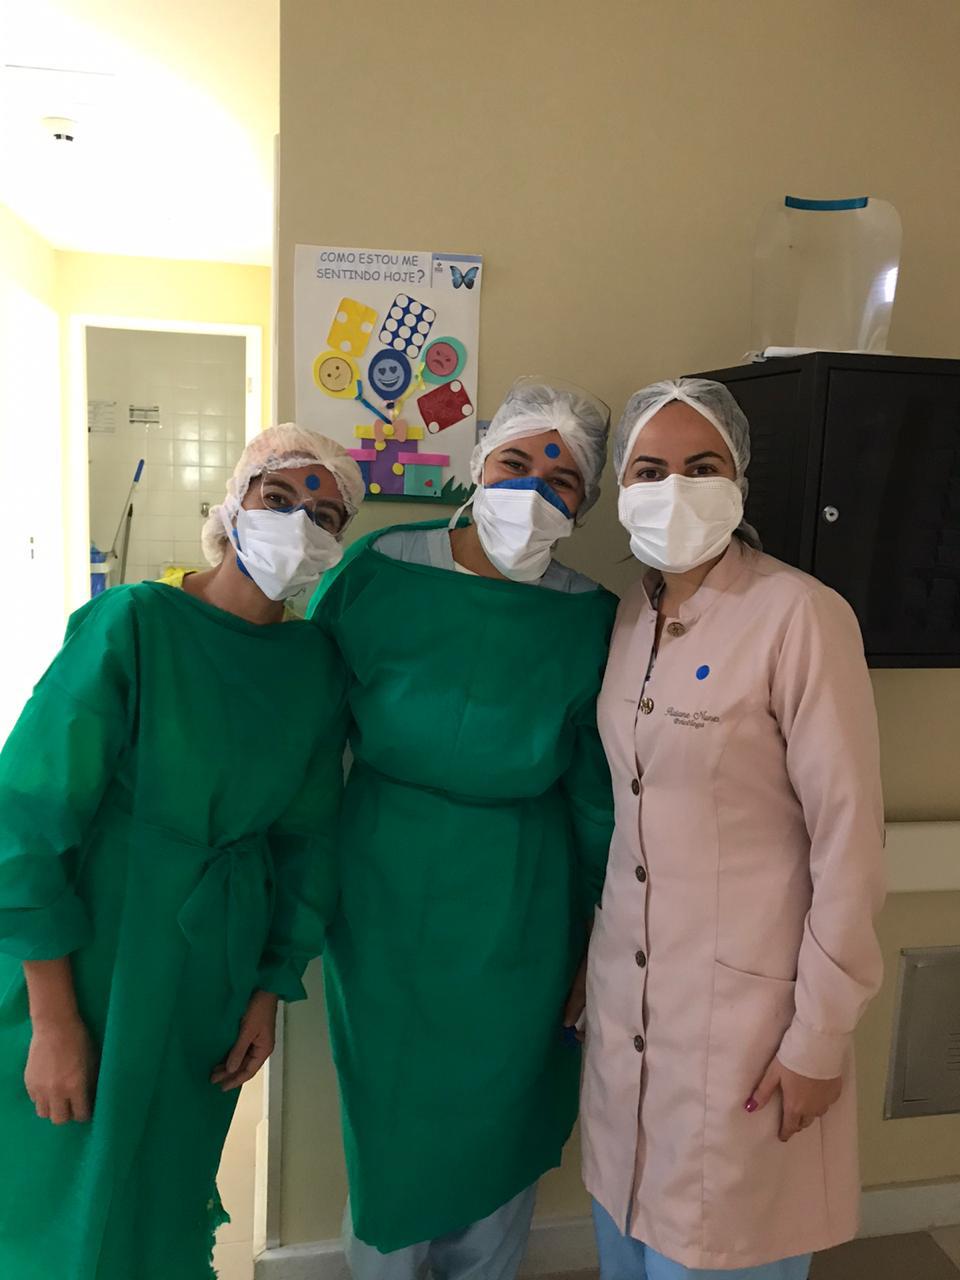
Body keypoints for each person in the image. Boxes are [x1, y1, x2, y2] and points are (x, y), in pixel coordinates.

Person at [0, 425, 364, 1280]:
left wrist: (268, 989)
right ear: (234, 503)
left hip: (214, 965)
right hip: (94, 953)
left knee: (164, 1180)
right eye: (279, 497)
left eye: (323, 515)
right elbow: (26, 818)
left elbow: (306, 841)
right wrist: (53, 1021)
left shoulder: (314, 664)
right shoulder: (135, 624)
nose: (298, 523)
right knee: (60, 1181)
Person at [308, 377, 619, 1280]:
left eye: (561, 479)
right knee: (391, 1118)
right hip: (381, 887)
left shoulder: (589, 617)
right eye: (514, 462)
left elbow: (597, 798)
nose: (532, 489)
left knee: (500, 1112)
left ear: (585, 505)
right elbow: (304, 717)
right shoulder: (381, 567)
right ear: (477, 466)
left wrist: (599, 934)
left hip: (521, 899)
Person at [580, 379, 887, 1280]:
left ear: (740, 480)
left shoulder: (800, 615)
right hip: (630, 1013)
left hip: (749, 1026)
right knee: (628, 1242)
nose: (674, 488)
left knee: (721, 1249)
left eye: (701, 466)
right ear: (621, 488)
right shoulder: (631, 615)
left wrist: (819, 1038)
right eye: (650, 470)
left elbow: (849, 843)